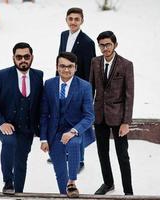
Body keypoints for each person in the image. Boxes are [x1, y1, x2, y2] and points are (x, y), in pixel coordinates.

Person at [0, 42, 43, 194]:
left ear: (32, 57)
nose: (23, 60)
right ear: (13, 58)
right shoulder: (0, 75)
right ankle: (8, 182)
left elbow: (39, 103)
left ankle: (19, 194)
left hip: (27, 127)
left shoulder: (38, 76)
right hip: (4, 124)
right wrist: (1, 122)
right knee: (10, 142)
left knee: (21, 160)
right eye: (19, 57)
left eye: (26, 56)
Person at [40, 52, 95, 198]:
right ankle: (64, 193)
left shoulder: (84, 86)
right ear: (57, 67)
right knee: (59, 172)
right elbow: (44, 114)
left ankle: (72, 182)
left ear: (76, 68)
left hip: (75, 130)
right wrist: (43, 139)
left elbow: (89, 116)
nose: (66, 69)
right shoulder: (49, 84)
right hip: (54, 133)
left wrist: (73, 131)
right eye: (62, 66)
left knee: (73, 144)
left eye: (70, 66)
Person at [90, 31, 134, 195]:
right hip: (99, 115)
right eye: (101, 45)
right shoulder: (95, 62)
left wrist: (126, 122)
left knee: (122, 155)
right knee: (102, 152)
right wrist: (90, 113)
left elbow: (129, 95)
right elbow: (90, 89)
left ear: (115, 44)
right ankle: (108, 183)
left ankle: (128, 191)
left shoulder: (126, 65)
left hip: (118, 117)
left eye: (108, 44)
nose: (105, 48)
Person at [55, 7, 96, 171]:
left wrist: (87, 93)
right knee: (63, 120)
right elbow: (59, 60)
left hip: (79, 88)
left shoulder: (88, 42)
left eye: (76, 19)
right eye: (70, 18)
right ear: (66, 19)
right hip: (62, 84)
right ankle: (64, 153)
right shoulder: (63, 35)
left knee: (78, 123)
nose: (73, 22)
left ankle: (80, 160)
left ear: (82, 21)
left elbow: (89, 70)